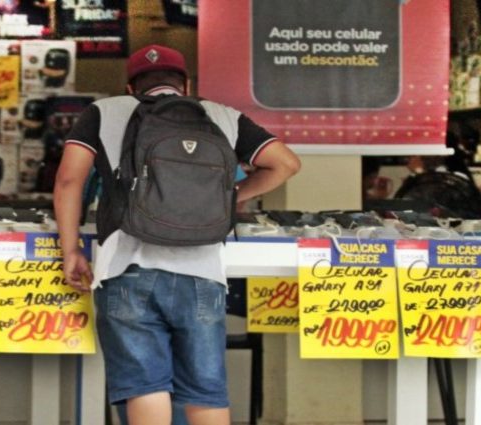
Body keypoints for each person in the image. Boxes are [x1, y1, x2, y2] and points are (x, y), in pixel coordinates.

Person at [54, 44, 301, 425]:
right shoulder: (222, 115)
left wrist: (70, 249)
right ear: (186, 84)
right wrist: (231, 195)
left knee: (145, 386)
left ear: (129, 86)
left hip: (126, 268)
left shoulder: (103, 112)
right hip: (202, 273)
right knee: (205, 389)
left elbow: (70, 179)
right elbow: (286, 163)